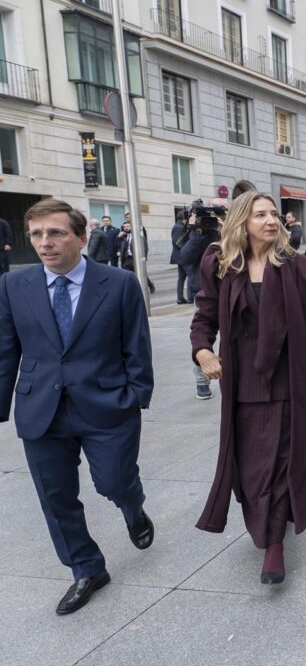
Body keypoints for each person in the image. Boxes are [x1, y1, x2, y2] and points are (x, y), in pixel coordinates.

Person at [0, 199, 154, 614]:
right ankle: (86, 568)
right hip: (42, 409)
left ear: (81, 238)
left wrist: (137, 395)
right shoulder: (14, 286)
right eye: (36, 234)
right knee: (56, 497)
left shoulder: (119, 283)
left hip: (106, 405)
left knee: (115, 483)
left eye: (56, 233)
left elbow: (136, 346)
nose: (45, 243)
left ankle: (133, 506)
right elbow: (5, 349)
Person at [190, 191, 306, 584]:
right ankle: (267, 521)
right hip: (242, 380)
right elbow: (204, 315)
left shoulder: (299, 266)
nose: (272, 221)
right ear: (242, 222)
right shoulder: (221, 265)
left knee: (281, 461)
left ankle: (274, 546)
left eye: (274, 214)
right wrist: (202, 351)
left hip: (292, 377)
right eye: (261, 215)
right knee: (252, 464)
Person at [181, 199, 227, 399]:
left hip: (230, 290)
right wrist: (197, 233)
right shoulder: (193, 231)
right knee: (202, 338)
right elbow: (185, 257)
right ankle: (202, 381)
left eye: (220, 212)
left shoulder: (229, 229)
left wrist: (225, 227)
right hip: (203, 291)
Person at [171, 210, 190, 303]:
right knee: (189, 276)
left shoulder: (179, 226)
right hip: (182, 256)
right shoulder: (178, 227)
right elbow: (177, 242)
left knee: (182, 277)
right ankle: (187, 297)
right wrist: (188, 249)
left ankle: (180, 298)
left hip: (181, 256)